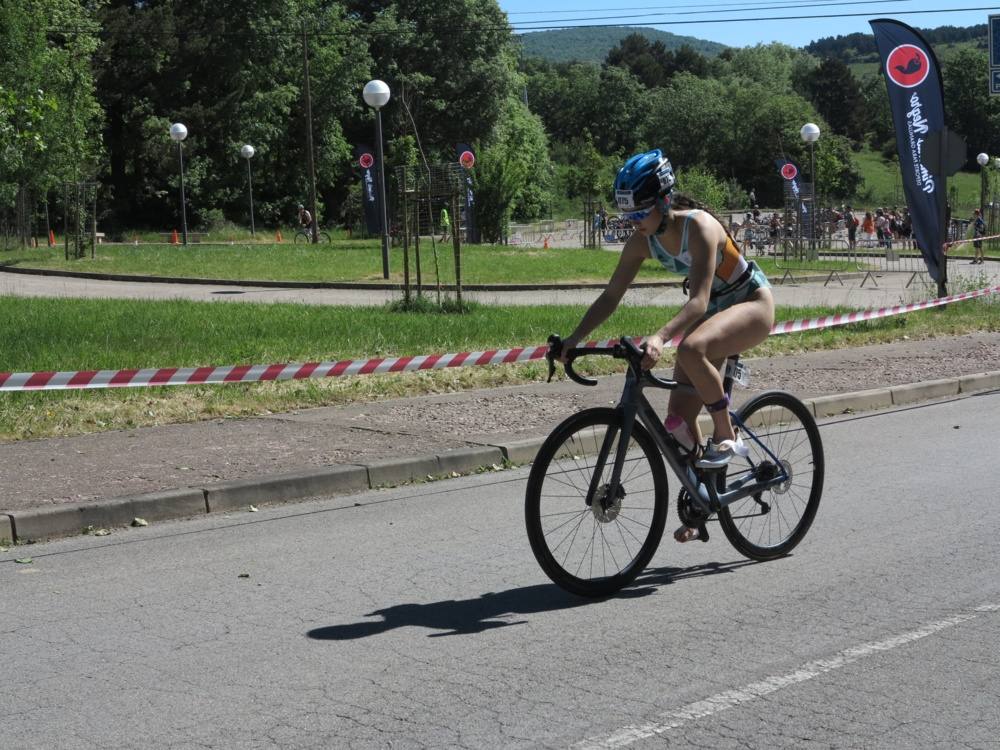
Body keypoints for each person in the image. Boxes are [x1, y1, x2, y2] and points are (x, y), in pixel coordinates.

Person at [557, 150, 775, 543]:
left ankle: (728, 435)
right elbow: (610, 297)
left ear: (662, 202)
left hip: (750, 305)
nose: (633, 224)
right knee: (677, 425)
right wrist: (573, 340)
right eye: (628, 217)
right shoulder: (644, 242)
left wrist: (659, 337)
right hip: (713, 318)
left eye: (639, 215)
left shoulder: (701, 228)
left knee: (690, 349)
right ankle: (702, 500)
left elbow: (699, 302)